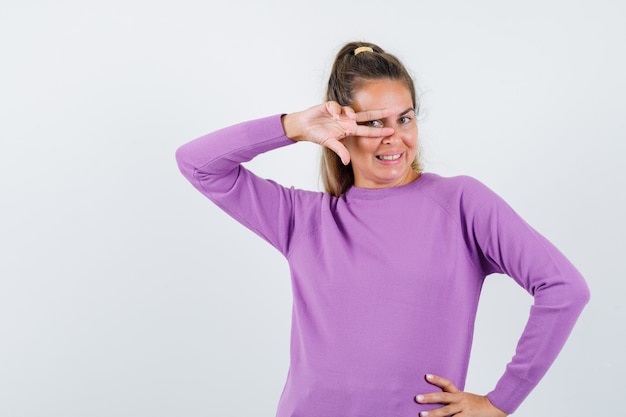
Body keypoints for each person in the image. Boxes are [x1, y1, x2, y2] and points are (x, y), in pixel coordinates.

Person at [175, 41, 590, 417]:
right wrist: (294, 126)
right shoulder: (303, 217)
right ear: (340, 128)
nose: (393, 137)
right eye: (372, 123)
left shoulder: (461, 204)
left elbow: (563, 288)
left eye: (404, 119)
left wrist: (501, 401)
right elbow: (198, 164)